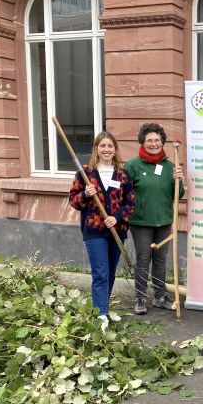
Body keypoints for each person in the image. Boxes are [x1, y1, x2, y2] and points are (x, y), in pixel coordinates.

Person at [69, 131, 135, 330]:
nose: (106, 149)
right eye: (102, 146)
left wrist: (117, 217)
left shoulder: (123, 175)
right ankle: (101, 315)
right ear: (96, 149)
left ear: (115, 149)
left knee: (111, 273)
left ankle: (102, 308)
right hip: (94, 230)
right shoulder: (86, 174)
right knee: (101, 273)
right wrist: (85, 194)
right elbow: (73, 201)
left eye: (110, 146)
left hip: (117, 231)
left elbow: (130, 203)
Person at [125, 123, 184, 314]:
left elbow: (178, 194)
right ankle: (140, 299)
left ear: (162, 142)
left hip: (164, 221)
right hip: (141, 222)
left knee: (160, 260)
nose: (153, 143)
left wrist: (179, 179)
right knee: (143, 259)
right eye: (149, 140)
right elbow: (124, 194)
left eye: (157, 140)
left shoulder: (169, 166)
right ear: (142, 142)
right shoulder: (132, 165)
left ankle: (159, 297)